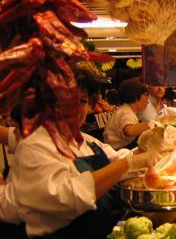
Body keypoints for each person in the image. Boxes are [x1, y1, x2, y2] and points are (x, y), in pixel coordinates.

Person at [0, 71, 160, 238]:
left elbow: (114, 157)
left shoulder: (86, 140)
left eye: (82, 101)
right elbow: (64, 198)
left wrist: (147, 153)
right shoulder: (35, 144)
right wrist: (127, 163)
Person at [104, 78, 155, 150]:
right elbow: (129, 131)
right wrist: (154, 124)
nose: (148, 100)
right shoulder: (126, 112)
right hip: (115, 153)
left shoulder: (125, 110)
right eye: (145, 95)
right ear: (135, 96)